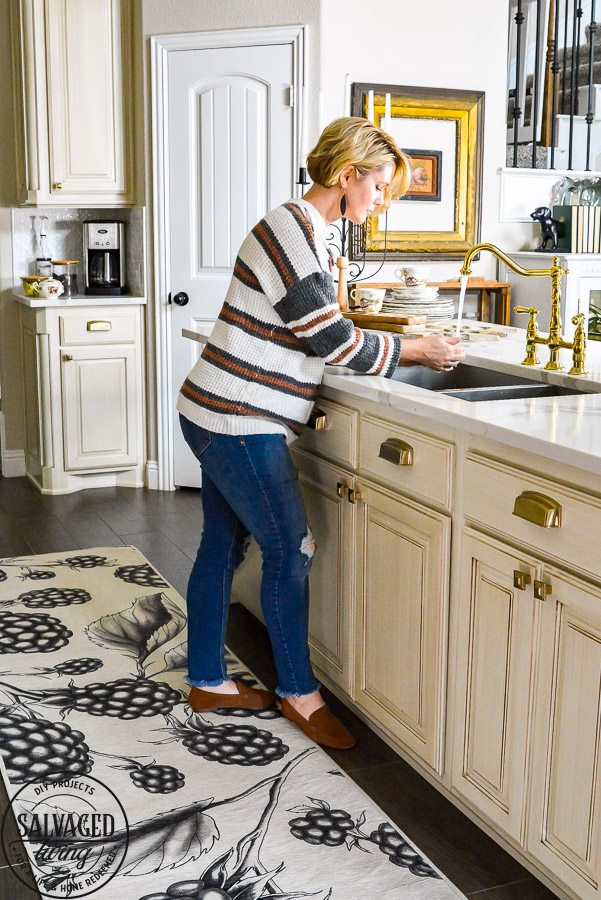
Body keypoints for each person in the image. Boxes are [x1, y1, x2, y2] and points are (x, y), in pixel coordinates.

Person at [177, 117, 465, 750]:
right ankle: (299, 693)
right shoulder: (291, 231)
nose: (382, 200)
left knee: (223, 548)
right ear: (347, 175)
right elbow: (330, 339)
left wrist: (400, 343)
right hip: (237, 417)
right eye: (381, 185)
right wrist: (414, 349)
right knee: (292, 549)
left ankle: (207, 681)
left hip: (219, 408)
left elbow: (320, 323)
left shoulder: (309, 233)